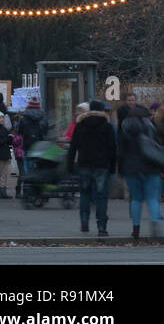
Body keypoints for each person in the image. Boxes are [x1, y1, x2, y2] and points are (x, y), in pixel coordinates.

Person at [67, 99, 116, 236]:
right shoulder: (107, 126)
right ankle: (101, 226)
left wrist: (70, 165)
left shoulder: (80, 125)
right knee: (101, 196)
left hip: (84, 164)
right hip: (102, 166)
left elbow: (73, 147)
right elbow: (112, 149)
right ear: (101, 111)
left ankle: (84, 220)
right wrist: (112, 167)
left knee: (85, 194)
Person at [117, 103, 163, 240]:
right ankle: (155, 220)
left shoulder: (124, 129)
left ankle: (135, 229)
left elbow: (120, 153)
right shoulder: (151, 128)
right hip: (151, 167)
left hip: (131, 169)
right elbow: (157, 149)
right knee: (152, 198)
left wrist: (121, 171)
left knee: (136, 199)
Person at [17, 96, 48, 172]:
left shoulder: (24, 118)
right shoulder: (43, 117)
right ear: (39, 106)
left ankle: (29, 182)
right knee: (39, 169)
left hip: (27, 145)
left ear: (28, 106)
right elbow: (46, 131)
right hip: (40, 146)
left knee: (28, 170)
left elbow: (19, 132)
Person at [0, 108, 15, 199]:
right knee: (1, 173)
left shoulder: (2, 128)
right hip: (0, 153)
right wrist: (7, 139)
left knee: (3, 173)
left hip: (4, 153)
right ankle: (1, 191)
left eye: (2, 117)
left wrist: (10, 139)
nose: (1, 119)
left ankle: (0, 191)